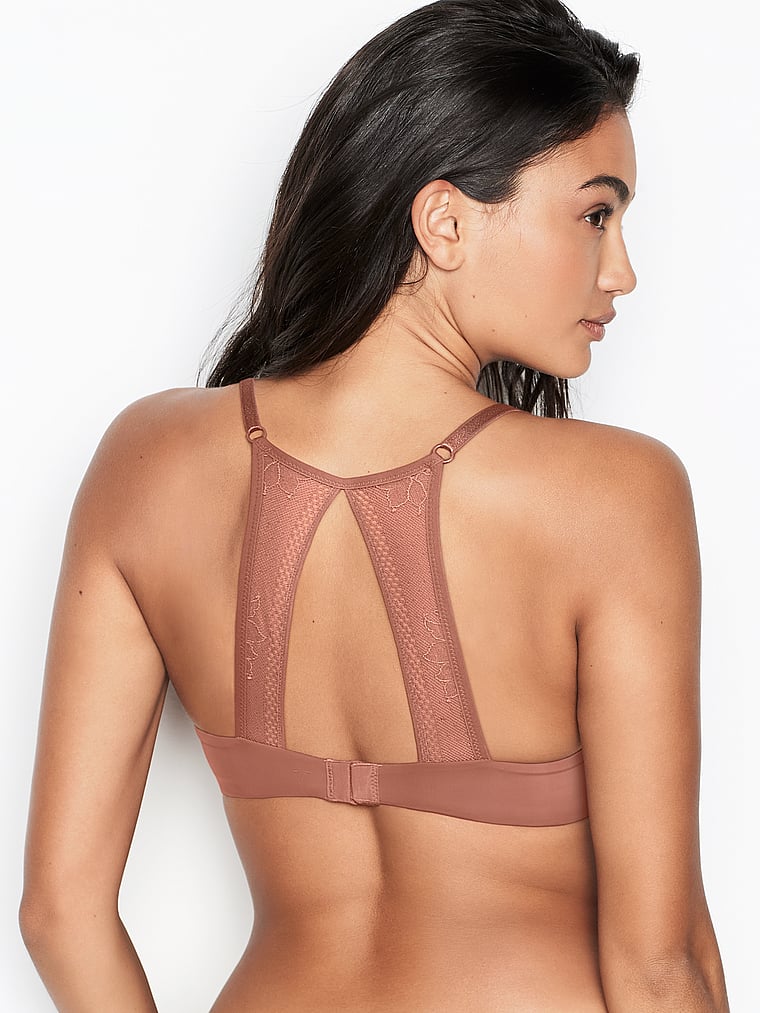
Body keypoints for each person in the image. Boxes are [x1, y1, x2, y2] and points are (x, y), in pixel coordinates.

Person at [20, 0, 729, 1009]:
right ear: (445, 222)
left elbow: (59, 911)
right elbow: (659, 965)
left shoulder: (147, 463)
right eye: (594, 214)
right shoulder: (615, 496)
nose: (621, 270)